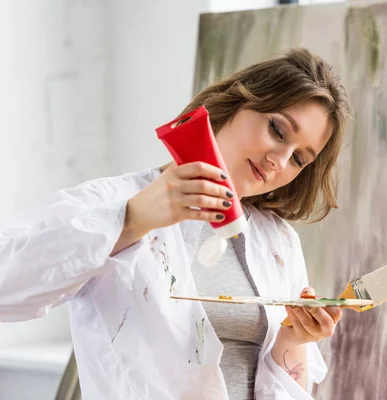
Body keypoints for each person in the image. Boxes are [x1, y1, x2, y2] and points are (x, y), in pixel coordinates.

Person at [0, 48, 351, 400]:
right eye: (277, 130)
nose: (280, 161)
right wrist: (131, 220)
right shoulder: (115, 201)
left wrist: (293, 338)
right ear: (238, 102)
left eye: (299, 159)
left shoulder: (279, 242)